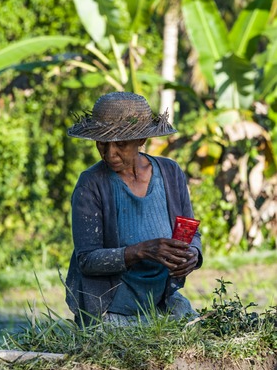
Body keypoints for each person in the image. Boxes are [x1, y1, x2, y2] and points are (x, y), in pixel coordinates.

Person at [65, 91, 202, 326]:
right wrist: (141, 251)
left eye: (120, 144)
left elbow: (191, 233)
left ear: (141, 140)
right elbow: (87, 260)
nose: (110, 154)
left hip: (162, 301)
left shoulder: (170, 172)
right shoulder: (91, 183)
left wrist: (193, 255)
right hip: (111, 309)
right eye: (102, 144)